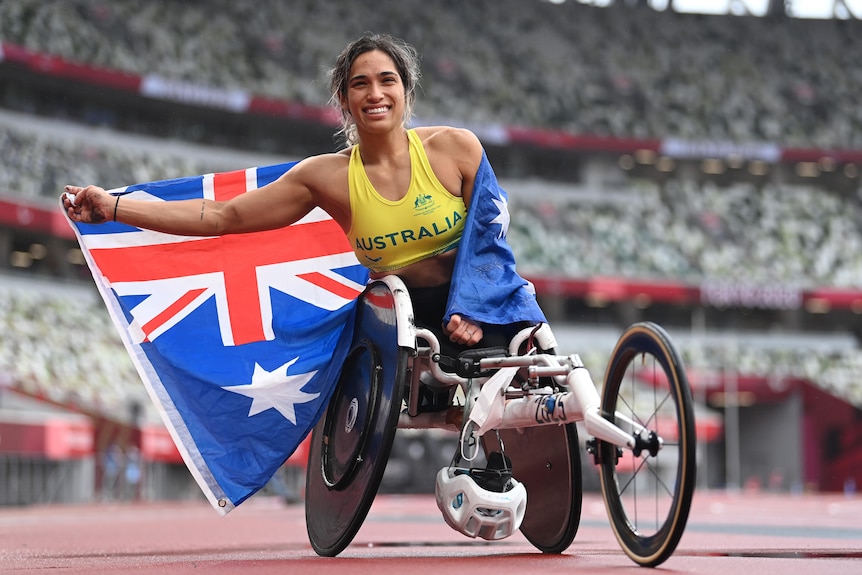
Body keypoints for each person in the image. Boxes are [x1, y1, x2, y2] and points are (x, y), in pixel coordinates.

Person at [62, 32, 526, 353]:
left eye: (388, 80)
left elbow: (490, 236)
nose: (375, 93)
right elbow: (222, 217)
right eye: (359, 83)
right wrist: (115, 207)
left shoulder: (456, 148)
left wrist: (472, 306)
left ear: (406, 91)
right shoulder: (325, 177)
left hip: (480, 297)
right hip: (400, 319)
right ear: (343, 101)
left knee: (535, 362)